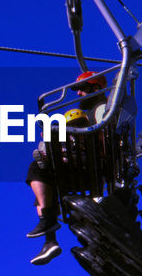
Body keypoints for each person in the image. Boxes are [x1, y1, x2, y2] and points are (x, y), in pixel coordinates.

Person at [25, 71, 108, 265]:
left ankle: (48, 226)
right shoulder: (93, 112)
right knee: (43, 182)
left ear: (96, 88)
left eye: (82, 90)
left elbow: (104, 135)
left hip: (89, 165)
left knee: (38, 170)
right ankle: (49, 239)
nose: (79, 95)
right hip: (80, 164)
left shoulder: (101, 109)